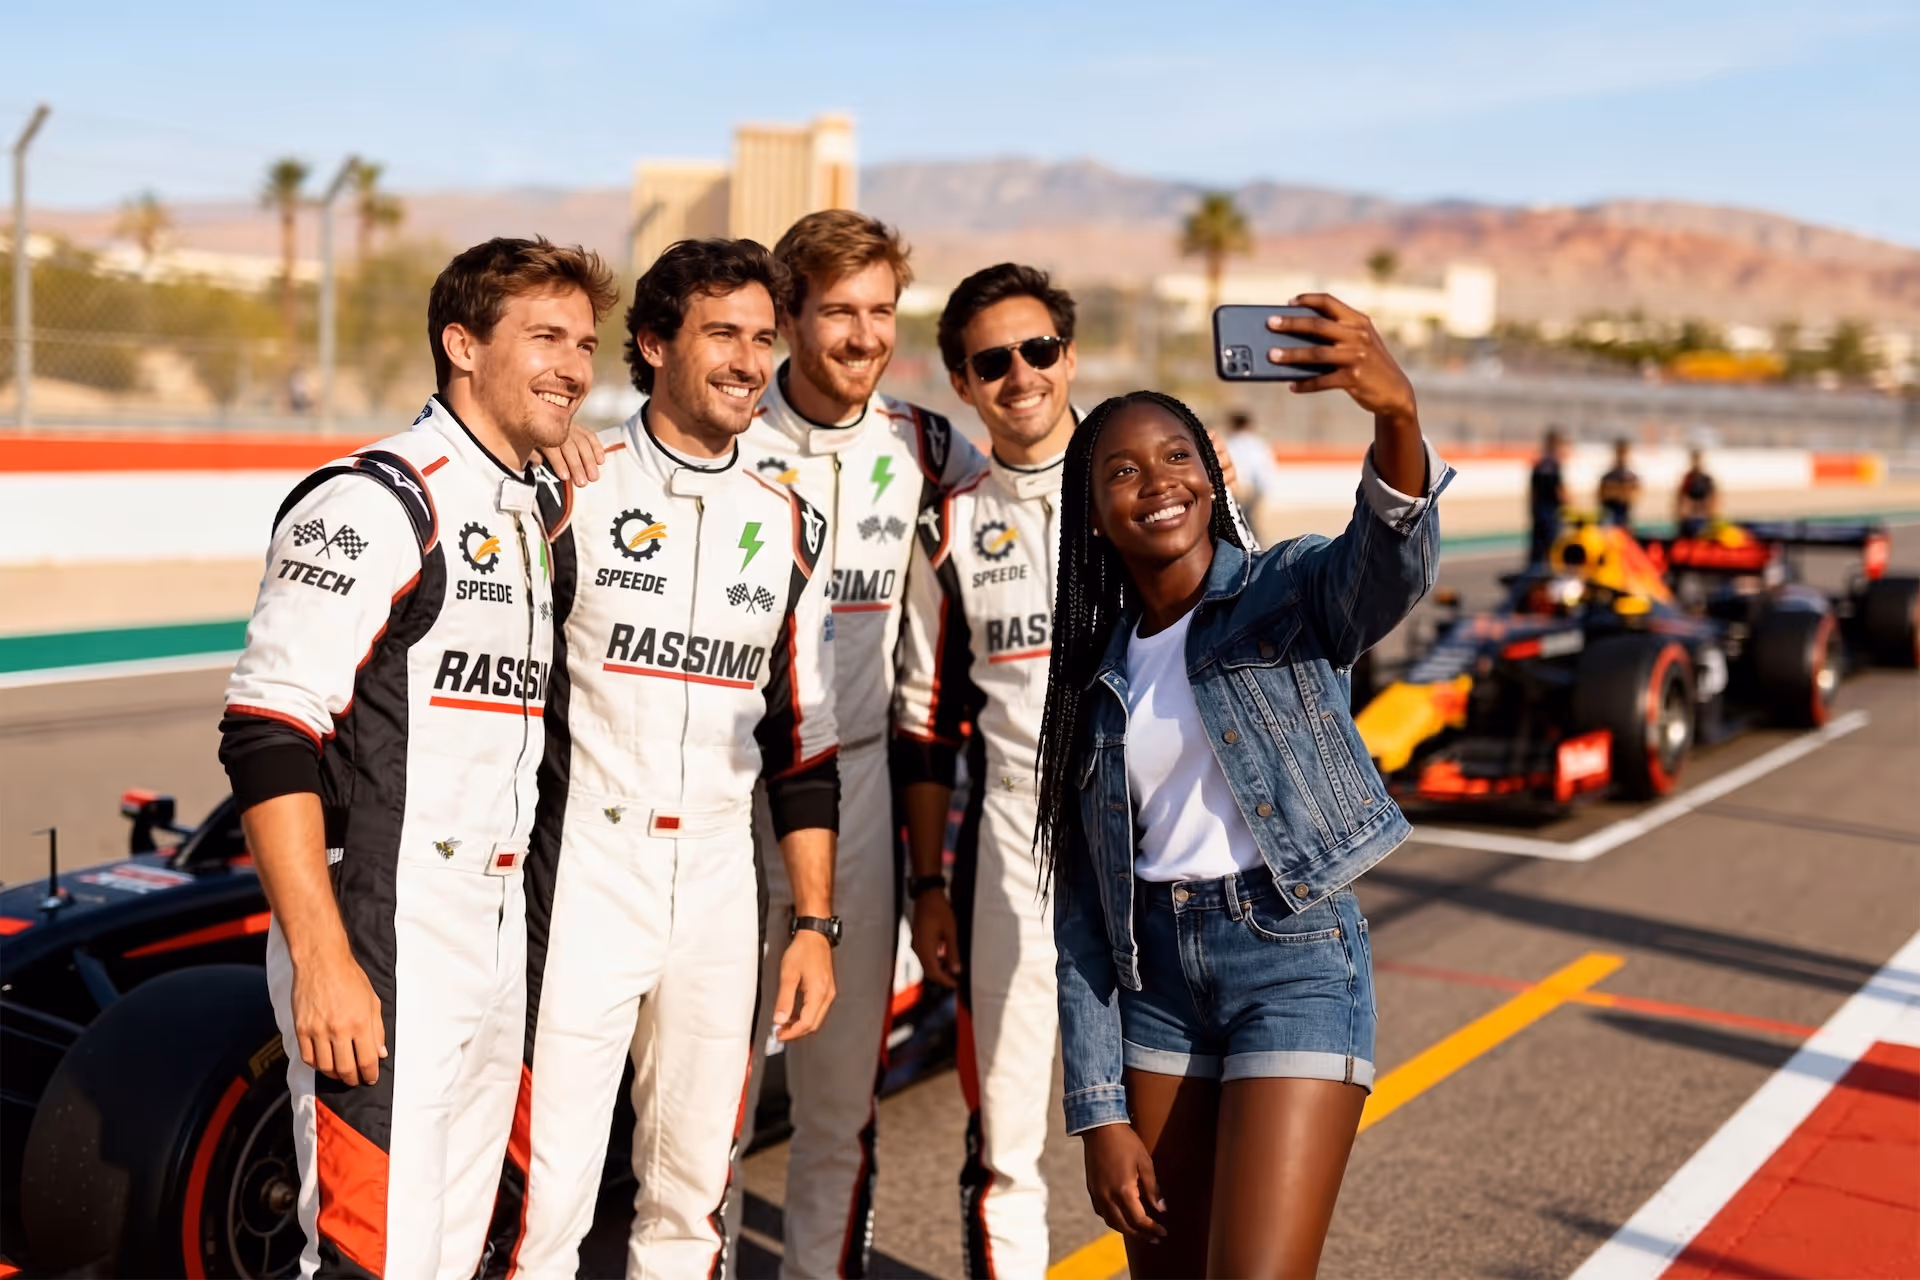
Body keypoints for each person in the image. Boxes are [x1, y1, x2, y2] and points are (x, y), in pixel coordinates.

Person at [219, 237, 616, 1278]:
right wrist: (321, 959)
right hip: (382, 933)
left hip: (488, 938)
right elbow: (267, 730)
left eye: (584, 342)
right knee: (368, 1251)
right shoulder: (376, 498)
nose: (575, 365)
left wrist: (557, 464)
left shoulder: (527, 504)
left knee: (446, 1250)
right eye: (544, 337)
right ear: (461, 343)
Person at [1034, 295, 1451, 1278]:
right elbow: (1086, 914)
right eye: (1122, 471)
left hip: (1293, 955)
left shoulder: (1283, 589)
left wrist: (1397, 416)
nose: (1156, 483)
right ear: (1093, 511)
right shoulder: (1091, 679)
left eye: (1177, 456)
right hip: (1156, 987)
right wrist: (1098, 1111)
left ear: (1212, 475)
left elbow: (1388, 563)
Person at [486, 240, 841, 1279]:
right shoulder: (567, 488)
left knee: (691, 1201)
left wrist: (813, 920)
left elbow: (803, 745)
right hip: (586, 870)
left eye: (763, 337)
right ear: (653, 344)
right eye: (721, 333)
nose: (748, 359)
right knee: (544, 1201)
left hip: (726, 884)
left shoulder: (788, 523)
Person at [892, 263, 1082, 1276]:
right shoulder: (953, 522)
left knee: (1173, 1124)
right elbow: (925, 720)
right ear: (963, 384)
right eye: (992, 361)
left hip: (1158, 847)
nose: (1021, 375)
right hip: (1013, 841)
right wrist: (929, 883)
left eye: (1038, 350)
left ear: (1069, 354)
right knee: (1008, 1143)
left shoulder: (1163, 471)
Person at [1222, 409, 1286, 545]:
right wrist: (1264, 491)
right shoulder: (1258, 444)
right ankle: (1257, 549)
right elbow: (1265, 469)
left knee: (1239, 522)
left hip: (1237, 488)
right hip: (1255, 489)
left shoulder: (1229, 443)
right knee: (1249, 522)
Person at [1528, 428, 1568, 565]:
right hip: (1551, 512)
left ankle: (1531, 578)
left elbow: (1532, 491)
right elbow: (1559, 490)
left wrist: (1532, 511)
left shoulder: (1539, 464)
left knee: (1537, 552)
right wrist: (1569, 506)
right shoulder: (1554, 464)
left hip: (1539, 511)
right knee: (1554, 550)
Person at [1598, 438, 1641, 531]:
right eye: (1620, 452)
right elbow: (1603, 495)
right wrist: (1621, 492)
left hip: (1624, 516)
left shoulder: (1631, 477)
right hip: (1610, 517)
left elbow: (1634, 496)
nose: (1622, 457)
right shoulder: (1608, 476)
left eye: (1624, 453)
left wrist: (1615, 492)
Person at [1675, 448, 1719, 537]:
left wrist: (1711, 514)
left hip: (1704, 517)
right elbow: (1681, 497)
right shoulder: (1688, 479)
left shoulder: (1706, 479)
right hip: (1690, 517)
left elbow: (1713, 497)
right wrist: (1681, 514)